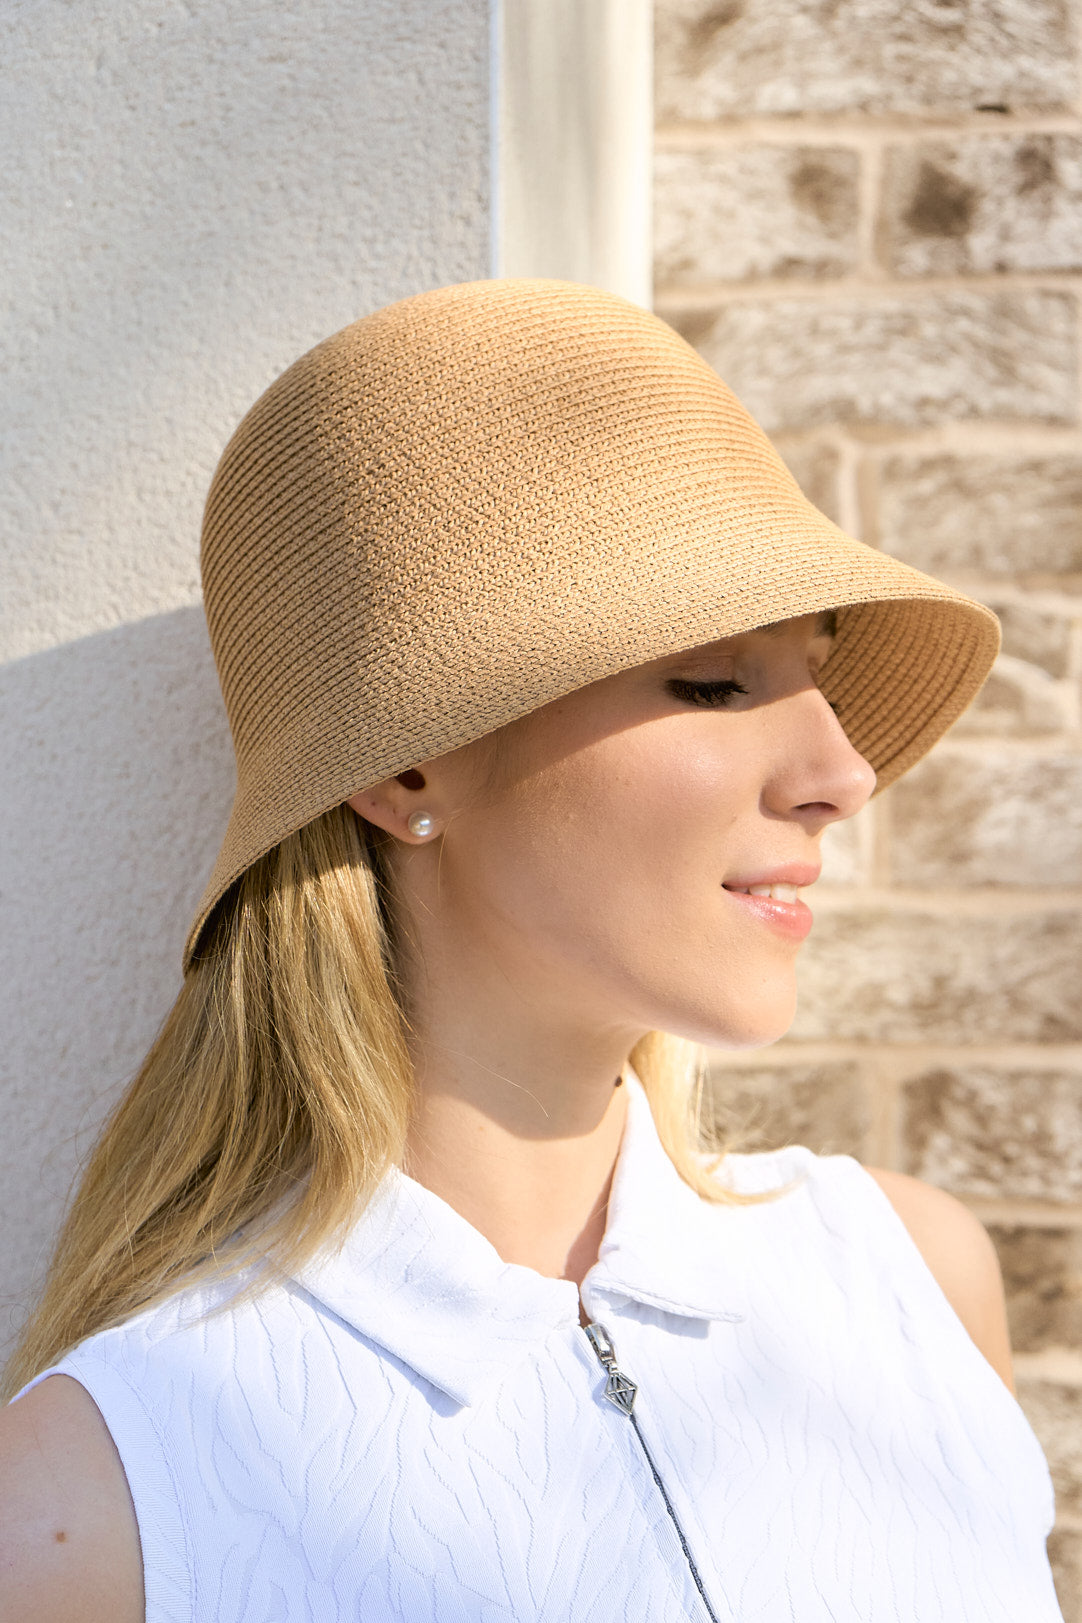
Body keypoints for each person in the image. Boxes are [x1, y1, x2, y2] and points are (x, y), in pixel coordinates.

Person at [0, 279, 1062, 1623]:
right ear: (406, 765)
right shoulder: (99, 1498)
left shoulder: (910, 1285)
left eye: (817, 672)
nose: (842, 775)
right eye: (714, 680)